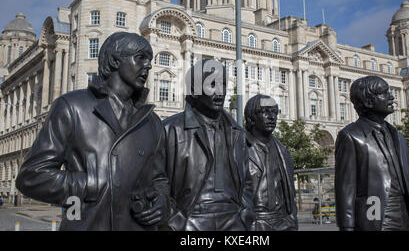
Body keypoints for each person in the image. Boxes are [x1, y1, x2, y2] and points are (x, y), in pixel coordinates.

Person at [16, 32, 170, 231]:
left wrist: (161, 202)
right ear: (115, 61)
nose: (148, 65)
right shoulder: (72, 107)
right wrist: (91, 184)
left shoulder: (152, 121)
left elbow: (160, 179)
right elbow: (31, 176)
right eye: (140, 58)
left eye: (150, 60)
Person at [163, 59, 254, 231]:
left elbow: (247, 181)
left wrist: (245, 214)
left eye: (223, 84)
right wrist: (175, 221)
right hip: (190, 220)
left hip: (234, 220)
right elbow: (158, 182)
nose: (220, 91)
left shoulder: (238, 133)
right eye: (212, 84)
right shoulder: (170, 129)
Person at [335, 76, 409, 231]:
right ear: (368, 101)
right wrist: (347, 227)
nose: (391, 96)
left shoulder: (398, 136)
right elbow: (346, 188)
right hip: (376, 212)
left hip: (407, 215)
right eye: (384, 92)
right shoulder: (351, 136)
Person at [244, 95, 298, 231]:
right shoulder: (237, 149)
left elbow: (290, 195)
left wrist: (291, 220)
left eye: (274, 112)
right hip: (251, 224)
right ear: (251, 118)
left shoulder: (283, 152)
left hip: (283, 223)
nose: (271, 117)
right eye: (265, 111)